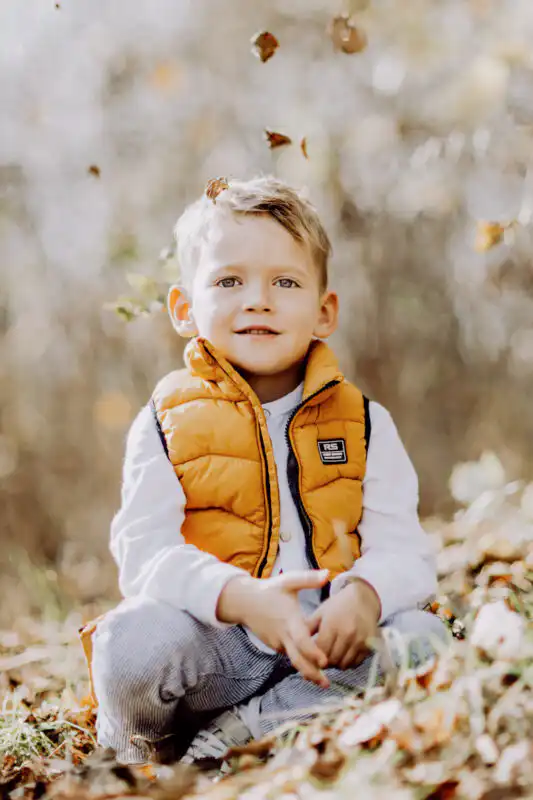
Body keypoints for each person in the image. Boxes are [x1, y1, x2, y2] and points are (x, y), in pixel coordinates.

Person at [82, 175, 447, 767]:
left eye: (285, 281)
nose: (258, 300)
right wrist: (239, 597)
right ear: (184, 309)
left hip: (326, 648)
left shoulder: (364, 422)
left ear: (324, 312)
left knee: (424, 642)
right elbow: (143, 554)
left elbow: (405, 550)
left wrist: (365, 595)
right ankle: (143, 757)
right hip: (215, 647)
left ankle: (245, 733)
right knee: (125, 643)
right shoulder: (166, 420)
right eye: (229, 281)